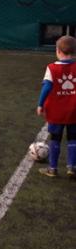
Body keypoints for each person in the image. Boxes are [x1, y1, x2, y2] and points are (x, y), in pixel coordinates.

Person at [37, 35, 76, 178]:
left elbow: (46, 88)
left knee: (55, 138)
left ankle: (52, 168)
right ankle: (72, 167)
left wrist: (40, 104)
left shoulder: (52, 68)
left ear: (58, 51)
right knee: (73, 138)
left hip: (56, 111)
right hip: (74, 110)